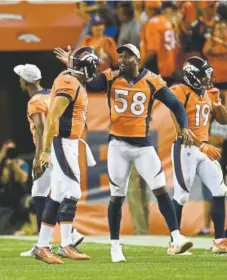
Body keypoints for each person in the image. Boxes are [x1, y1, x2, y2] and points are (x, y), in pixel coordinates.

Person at [54, 43, 194, 262]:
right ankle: (115, 246)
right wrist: (73, 64)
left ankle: (176, 237)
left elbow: (176, 105)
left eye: (127, 56)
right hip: (118, 146)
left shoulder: (153, 80)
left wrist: (184, 127)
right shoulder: (110, 77)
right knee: (117, 198)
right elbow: (88, 79)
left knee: (160, 190)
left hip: (143, 146)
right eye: (120, 56)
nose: (121, 59)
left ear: (137, 59)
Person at [33, 47, 100, 264]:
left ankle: (42, 246)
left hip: (68, 142)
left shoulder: (71, 77)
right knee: (73, 191)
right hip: (61, 141)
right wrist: (44, 151)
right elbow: (52, 117)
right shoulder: (69, 82)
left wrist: (71, 61)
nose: (95, 71)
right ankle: (66, 244)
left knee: (58, 194)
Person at [13, 64, 84, 257]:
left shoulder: (35, 101)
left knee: (51, 193)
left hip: (50, 149)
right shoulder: (50, 93)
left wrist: (39, 156)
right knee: (47, 191)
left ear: (25, 82)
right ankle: (47, 241)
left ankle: (54, 240)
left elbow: (43, 128)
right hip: (59, 145)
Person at [170, 56, 227, 253]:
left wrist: (218, 102)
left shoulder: (208, 93)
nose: (207, 80)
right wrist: (201, 146)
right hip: (185, 147)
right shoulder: (179, 91)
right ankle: (174, 241)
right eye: (204, 76)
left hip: (203, 147)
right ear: (192, 76)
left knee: (220, 190)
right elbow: (180, 129)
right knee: (181, 195)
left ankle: (220, 240)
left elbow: (223, 120)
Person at [140, 1, 176, 86]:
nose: (145, 12)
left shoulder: (153, 23)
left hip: (157, 69)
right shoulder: (165, 20)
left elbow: (152, 50)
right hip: (169, 68)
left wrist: (140, 65)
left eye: (146, 9)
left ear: (151, 9)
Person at [0, 140, 29, 233]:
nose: (10, 151)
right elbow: (4, 180)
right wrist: (2, 155)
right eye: (8, 149)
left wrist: (14, 165)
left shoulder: (21, 163)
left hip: (16, 199)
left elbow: (23, 179)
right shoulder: (2, 164)